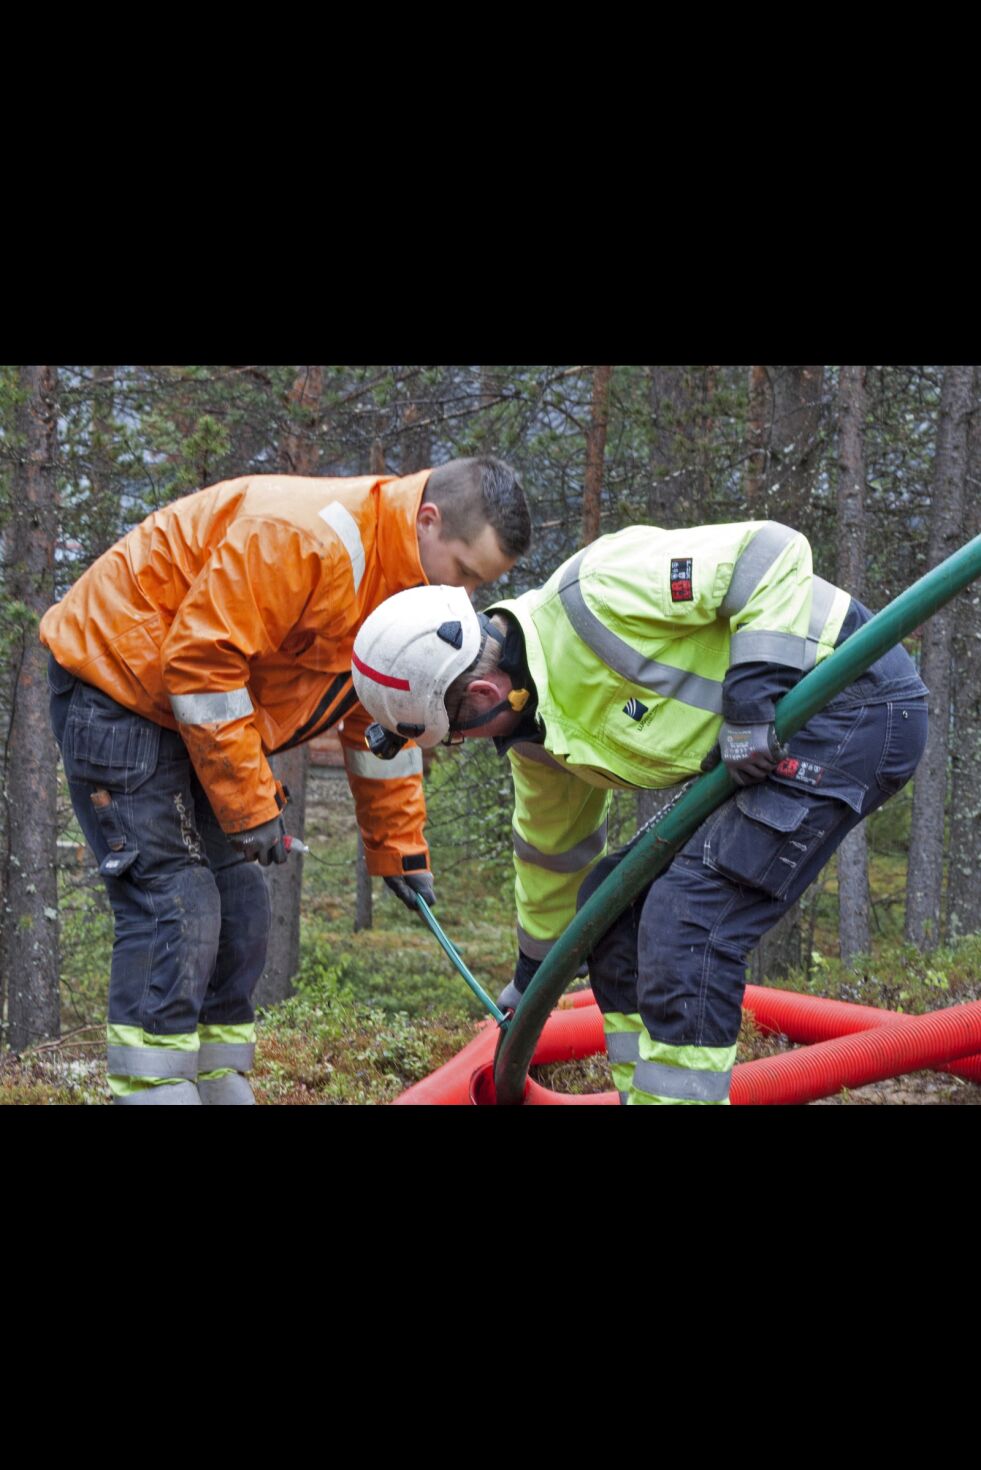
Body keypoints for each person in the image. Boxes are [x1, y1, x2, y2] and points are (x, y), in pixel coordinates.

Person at [351, 519, 929, 1106]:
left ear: (482, 697)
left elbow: (768, 554)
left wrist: (753, 695)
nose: (465, 744)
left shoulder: (596, 593)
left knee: (687, 920)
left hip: (854, 696)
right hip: (771, 740)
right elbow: (555, 855)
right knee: (610, 905)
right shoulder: (541, 740)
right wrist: (534, 975)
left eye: (455, 736)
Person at [41, 457, 531, 1104]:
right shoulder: (306, 541)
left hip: (197, 714)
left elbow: (379, 719)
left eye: (480, 584)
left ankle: (220, 1085)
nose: (463, 594)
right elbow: (198, 664)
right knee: (175, 904)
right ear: (429, 521)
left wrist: (397, 850)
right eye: (465, 571)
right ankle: (152, 1089)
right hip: (119, 687)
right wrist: (250, 807)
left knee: (242, 905)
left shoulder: (408, 590)